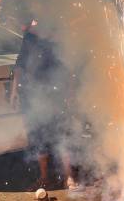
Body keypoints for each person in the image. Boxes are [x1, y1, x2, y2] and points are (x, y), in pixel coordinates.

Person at [10, 16, 78, 191]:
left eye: (37, 21)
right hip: (32, 94)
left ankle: (69, 176)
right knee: (38, 137)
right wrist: (14, 91)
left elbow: (68, 67)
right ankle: (44, 177)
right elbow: (19, 66)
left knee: (61, 135)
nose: (34, 23)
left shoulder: (57, 37)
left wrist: (70, 93)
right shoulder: (29, 38)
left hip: (55, 94)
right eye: (33, 21)